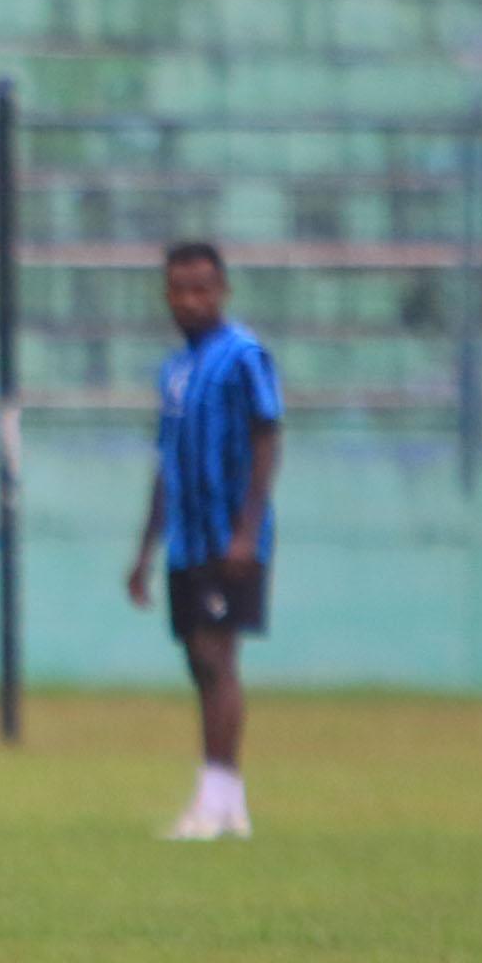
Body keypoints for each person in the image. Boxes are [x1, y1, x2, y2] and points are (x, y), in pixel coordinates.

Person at [130, 242, 283, 841]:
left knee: (218, 658)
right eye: (180, 289)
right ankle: (228, 800)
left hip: (228, 539)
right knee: (199, 660)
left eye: (202, 288)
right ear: (167, 295)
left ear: (222, 291)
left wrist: (248, 530)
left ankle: (215, 797)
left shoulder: (244, 356)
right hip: (187, 541)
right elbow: (166, 463)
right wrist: (145, 551)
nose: (191, 300)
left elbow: (267, 439)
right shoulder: (174, 370)